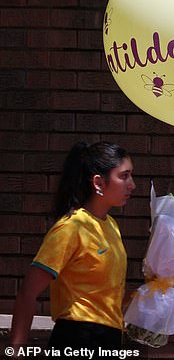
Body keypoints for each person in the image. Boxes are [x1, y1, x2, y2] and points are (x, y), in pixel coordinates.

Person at [9, 142, 135, 357]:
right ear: (98, 183)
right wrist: (16, 351)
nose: (132, 185)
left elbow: (101, 294)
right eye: (124, 176)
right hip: (78, 338)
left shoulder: (111, 225)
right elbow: (27, 292)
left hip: (111, 339)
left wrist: (143, 296)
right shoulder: (71, 228)